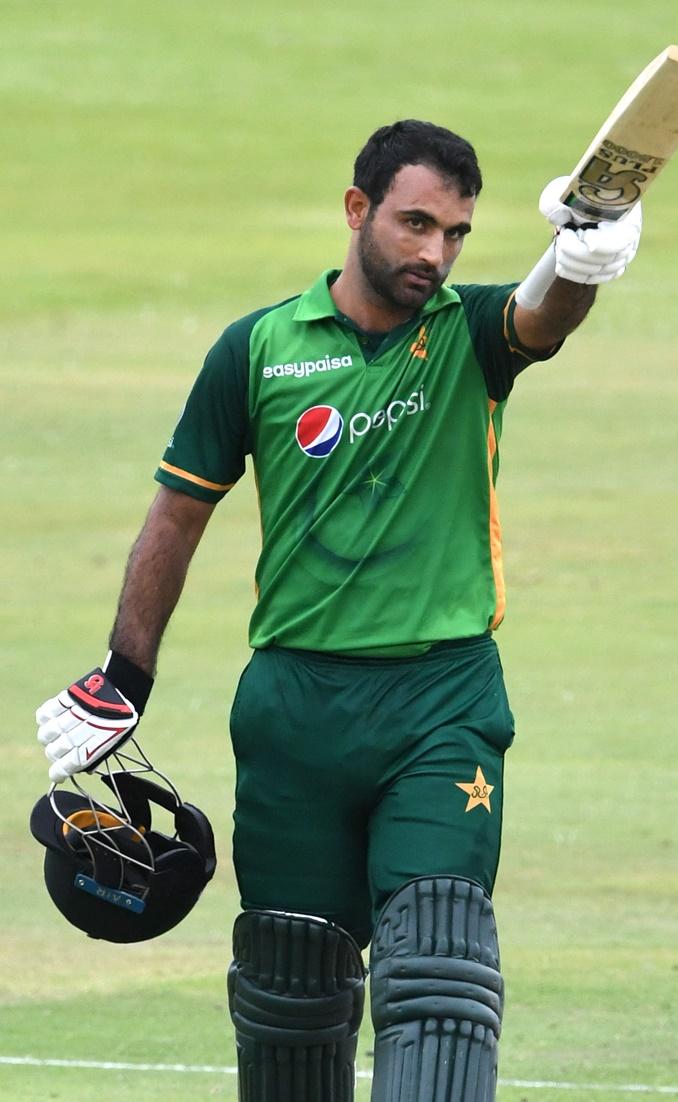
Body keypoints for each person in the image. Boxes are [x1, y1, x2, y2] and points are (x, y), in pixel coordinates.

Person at [34, 119, 644, 1102]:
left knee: (438, 962)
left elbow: (542, 315)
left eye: (455, 234)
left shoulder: (466, 337)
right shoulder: (259, 349)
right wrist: (125, 672)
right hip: (294, 711)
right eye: (415, 224)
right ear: (356, 211)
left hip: (440, 708)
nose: (435, 254)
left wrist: (583, 252)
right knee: (292, 988)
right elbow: (178, 510)